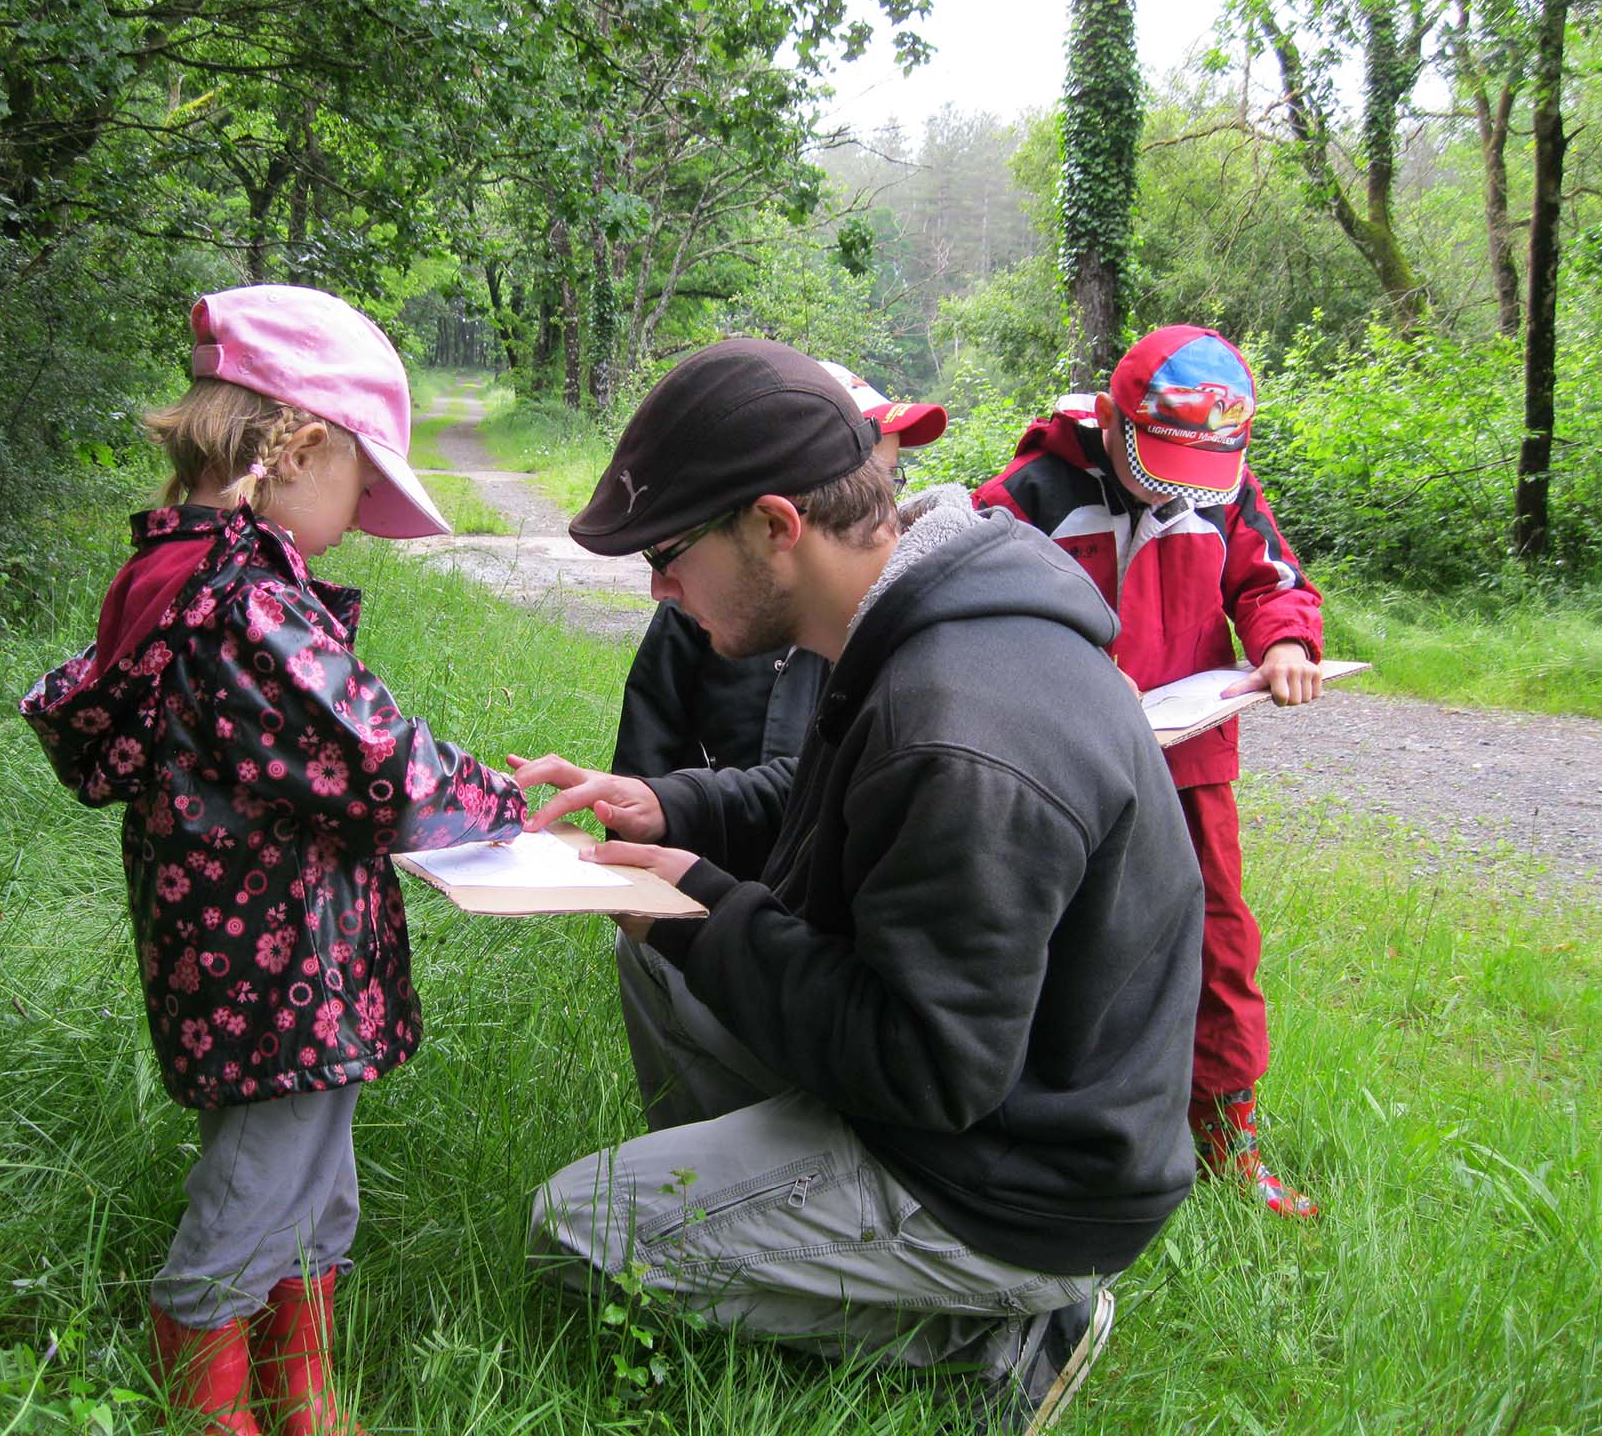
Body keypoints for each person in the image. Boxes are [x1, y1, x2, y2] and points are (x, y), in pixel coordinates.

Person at [510, 338, 1204, 1432]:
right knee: (651, 944)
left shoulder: (961, 728)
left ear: (777, 529)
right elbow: (836, 810)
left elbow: (928, 1070)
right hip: (979, 1106)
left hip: (1010, 1184)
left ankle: (996, 1330)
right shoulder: (910, 624)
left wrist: (712, 915)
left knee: (582, 1227)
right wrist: (678, 812)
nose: (659, 588)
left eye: (673, 552)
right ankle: (777, 1220)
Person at [21, 284, 528, 1436]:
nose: (360, 514)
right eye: (361, 480)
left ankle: (303, 1399)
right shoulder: (241, 605)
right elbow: (370, 758)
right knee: (254, 1199)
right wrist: (499, 804)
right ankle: (210, 1411)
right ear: (299, 448)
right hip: (274, 974)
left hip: (262, 966)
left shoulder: (192, 581)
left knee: (311, 1189)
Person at [970, 325, 1324, 1220]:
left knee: (1218, 943)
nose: (1177, 494)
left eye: (1196, 479)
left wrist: (1284, 638)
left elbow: (1274, 578)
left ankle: (1224, 1139)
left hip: (1191, 764)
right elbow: (965, 595)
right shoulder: (1031, 492)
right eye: (1158, 465)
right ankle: (1035, 1119)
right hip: (1065, 766)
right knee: (1049, 933)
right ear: (1110, 421)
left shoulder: (1224, 489)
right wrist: (1072, 666)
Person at [608, 361, 944, 784]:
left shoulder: (908, 658)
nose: (879, 509)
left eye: (890, 479)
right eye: (864, 470)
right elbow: (649, 731)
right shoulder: (714, 596)